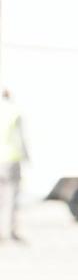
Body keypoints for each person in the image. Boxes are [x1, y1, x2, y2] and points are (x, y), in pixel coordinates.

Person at [0, 89, 28, 243]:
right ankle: (9, 232)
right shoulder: (14, 112)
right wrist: (27, 158)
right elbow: (20, 137)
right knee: (10, 197)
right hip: (11, 159)